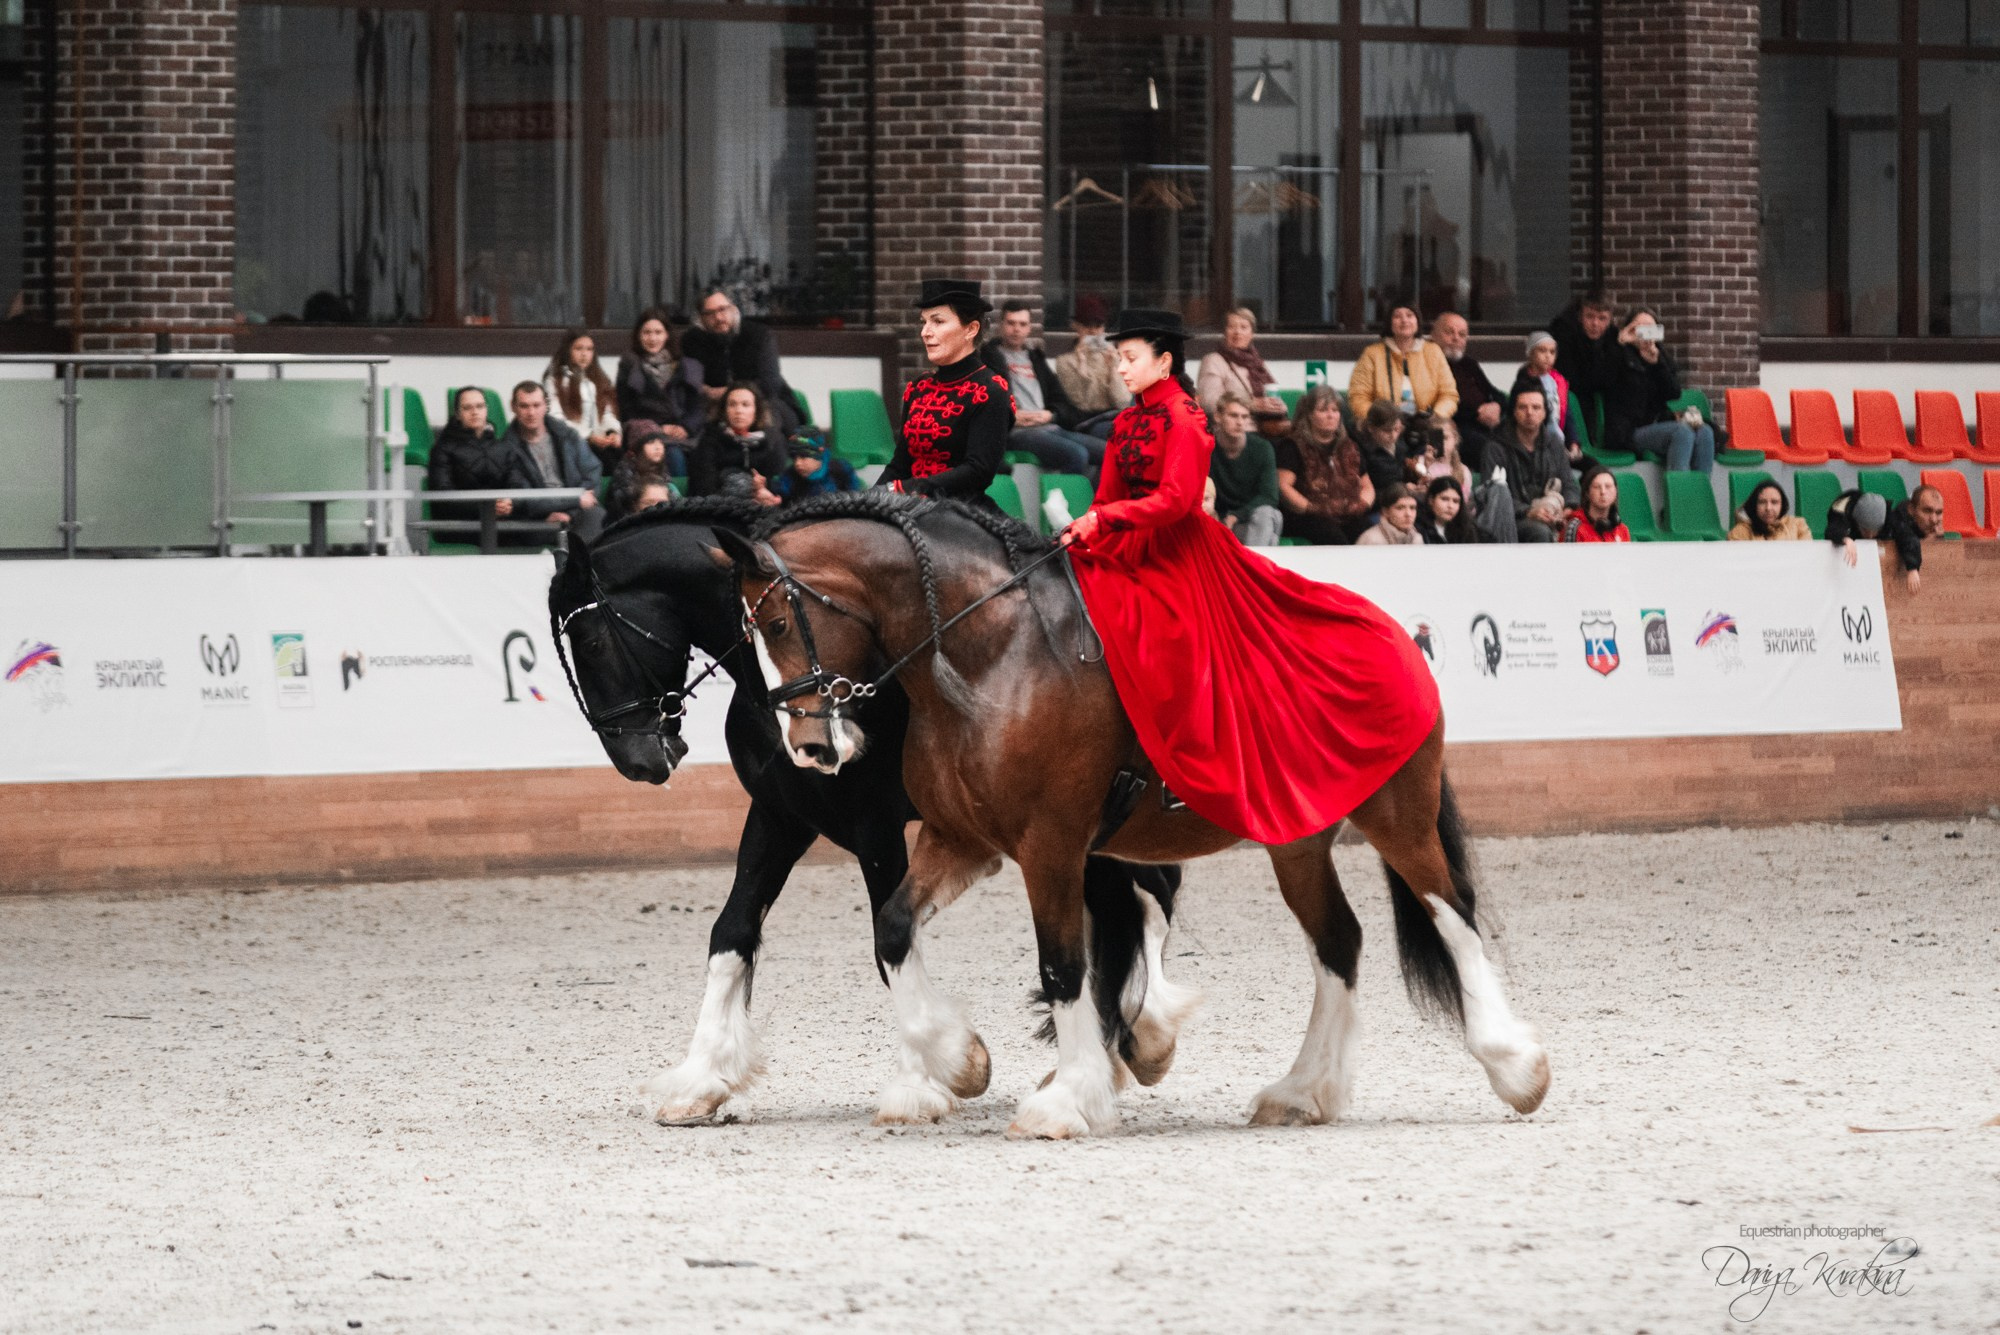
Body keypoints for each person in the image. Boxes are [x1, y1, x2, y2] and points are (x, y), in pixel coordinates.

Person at [1058, 306, 1439, 847]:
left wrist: (1108, 517)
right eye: (1119, 358)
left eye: (1130, 358)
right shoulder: (1124, 423)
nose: (1121, 368)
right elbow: (1107, 497)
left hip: (1180, 551)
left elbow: (1176, 500)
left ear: (1164, 361)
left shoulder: (1186, 418)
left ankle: (1180, 775)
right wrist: (1088, 528)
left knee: (1176, 641)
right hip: (1125, 544)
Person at [878, 278, 1015, 506]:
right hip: (910, 504)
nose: (925, 332)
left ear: (970, 329)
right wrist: (868, 498)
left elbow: (978, 470)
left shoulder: (991, 390)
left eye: (938, 322)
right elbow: (900, 465)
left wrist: (911, 487)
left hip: (962, 513)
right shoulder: (918, 389)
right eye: (923, 322)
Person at [981, 299, 1101, 475]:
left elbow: (1061, 400)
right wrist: (1009, 416)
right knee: (1077, 455)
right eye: (1011, 323)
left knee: (1110, 453)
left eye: (1022, 324)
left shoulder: (1036, 359)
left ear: (1029, 328)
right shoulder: (989, 359)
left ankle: (1099, 502)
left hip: (1049, 427)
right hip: (1018, 433)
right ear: (1001, 325)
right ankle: (1060, 501)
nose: (1016, 329)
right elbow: (982, 403)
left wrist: (1051, 415)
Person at [1604, 308, 1713, 472]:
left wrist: (1657, 365)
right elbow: (1604, 379)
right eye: (1639, 327)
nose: (1645, 333)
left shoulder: (1660, 356)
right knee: (1682, 432)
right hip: (1627, 431)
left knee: (1705, 432)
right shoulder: (1618, 354)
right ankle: (1679, 491)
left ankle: (1701, 491)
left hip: (1657, 424)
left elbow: (1674, 393)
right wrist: (1620, 344)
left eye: (1650, 328)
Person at [683, 288, 803, 435]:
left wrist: (726, 392)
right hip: (718, 408)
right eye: (710, 314)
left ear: (733, 309)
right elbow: (690, 383)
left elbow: (770, 384)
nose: (719, 318)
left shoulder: (759, 334)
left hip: (766, 403)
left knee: (765, 420)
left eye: (723, 309)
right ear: (701, 319)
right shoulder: (692, 340)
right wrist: (705, 391)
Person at [500, 381, 603, 543]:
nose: (531, 412)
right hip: (537, 519)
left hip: (575, 512)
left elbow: (592, 473)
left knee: (597, 515)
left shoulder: (567, 435)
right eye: (524, 406)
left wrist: (570, 512)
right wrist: (574, 501)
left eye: (536, 405)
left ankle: (579, 564)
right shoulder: (506, 448)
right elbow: (524, 498)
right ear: (513, 407)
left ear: (546, 406)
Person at [1273, 384, 1373, 545]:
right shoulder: (1292, 445)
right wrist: (1313, 508)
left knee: (1370, 533)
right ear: (1310, 415)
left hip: (1348, 514)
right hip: (1307, 516)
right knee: (1333, 536)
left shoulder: (1350, 446)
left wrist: (1361, 505)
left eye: (1335, 410)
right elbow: (1284, 487)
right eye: (1323, 410)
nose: (1331, 415)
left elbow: (1367, 485)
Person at [426, 385, 535, 525]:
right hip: (462, 526)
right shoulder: (442, 449)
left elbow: (518, 486)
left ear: (486, 410)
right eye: (467, 408)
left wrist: (510, 502)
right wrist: (486, 507)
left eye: (480, 406)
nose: (475, 412)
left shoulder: (505, 448)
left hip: (502, 524)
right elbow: (443, 496)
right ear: (458, 414)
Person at [1483, 383, 1576, 544]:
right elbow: (1492, 494)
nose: (1530, 413)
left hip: (1553, 511)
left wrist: (1568, 508)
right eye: (1523, 407)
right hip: (1512, 518)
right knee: (1540, 532)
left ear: (1545, 412)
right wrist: (1529, 511)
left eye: (1536, 407)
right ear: (1514, 411)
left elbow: (1569, 483)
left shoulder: (1554, 443)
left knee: (1578, 527)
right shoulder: (1495, 447)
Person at [614, 308, 707, 469]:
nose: (652, 338)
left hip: (684, 432)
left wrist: (685, 428)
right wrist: (658, 428)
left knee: (703, 457)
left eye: (658, 332)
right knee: (673, 456)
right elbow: (626, 409)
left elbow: (697, 406)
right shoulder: (630, 366)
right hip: (647, 434)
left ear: (667, 335)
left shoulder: (686, 366)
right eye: (647, 333)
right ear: (638, 335)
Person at [1347, 303, 1458, 425]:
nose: (1404, 320)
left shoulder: (1433, 352)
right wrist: (1380, 420)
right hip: (1383, 428)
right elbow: (1358, 396)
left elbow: (1449, 395)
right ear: (1390, 323)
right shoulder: (1373, 354)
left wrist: (1435, 416)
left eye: (1410, 315)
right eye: (1397, 316)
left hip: (1426, 425)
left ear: (1417, 322)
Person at [1826, 487, 1943, 593]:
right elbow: (1832, 529)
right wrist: (1845, 538)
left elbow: (1907, 537)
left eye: (1875, 531)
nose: (1871, 536)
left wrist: (1912, 568)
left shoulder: (1891, 519)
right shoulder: (1843, 514)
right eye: (1866, 531)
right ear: (1857, 523)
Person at [1196, 307, 1290, 437]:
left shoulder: (1257, 363)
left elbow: (1274, 396)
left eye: (1243, 327)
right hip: (1231, 434)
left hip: (1266, 430)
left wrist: (1277, 406)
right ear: (1224, 332)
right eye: (1232, 327)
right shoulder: (1213, 360)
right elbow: (1209, 403)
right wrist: (1251, 404)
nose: (1237, 332)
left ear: (1252, 334)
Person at [689, 382, 787, 503]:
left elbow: (779, 484)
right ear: (725, 410)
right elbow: (703, 488)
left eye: (745, 405)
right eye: (732, 405)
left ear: (756, 410)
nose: (738, 410)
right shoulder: (709, 440)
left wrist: (766, 490)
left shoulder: (772, 441)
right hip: (719, 510)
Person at [1207, 394, 1282, 547]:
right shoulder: (1205, 447)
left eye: (1244, 417)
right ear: (1218, 417)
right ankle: (1260, 561)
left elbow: (1269, 496)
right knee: (1270, 538)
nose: (1240, 422)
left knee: (1266, 513)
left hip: (1251, 518)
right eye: (1233, 415)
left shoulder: (1262, 448)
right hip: (1219, 520)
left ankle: (1253, 567)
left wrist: (1236, 516)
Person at [1049, 294, 1130, 436]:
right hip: (1086, 421)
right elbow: (1081, 403)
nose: (1093, 331)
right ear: (1077, 327)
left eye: (1098, 326)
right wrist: (1082, 364)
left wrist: (1113, 368)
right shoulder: (1065, 361)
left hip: (1114, 417)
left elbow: (1122, 402)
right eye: (1087, 325)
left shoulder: (1113, 358)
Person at [543, 328, 621, 469]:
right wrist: (588, 435)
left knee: (617, 456)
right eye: (578, 348)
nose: (584, 354)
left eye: (589, 349)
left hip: (599, 442)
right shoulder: (555, 381)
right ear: (568, 351)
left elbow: (607, 413)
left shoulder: (600, 380)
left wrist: (612, 432)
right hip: (573, 442)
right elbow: (556, 419)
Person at [1431, 311, 1504, 461]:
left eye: (1462, 334)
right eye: (1449, 332)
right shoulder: (1428, 362)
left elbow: (1495, 393)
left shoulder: (1469, 363)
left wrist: (1497, 406)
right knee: (1491, 447)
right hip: (1456, 425)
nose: (1456, 338)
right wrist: (1477, 413)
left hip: (1485, 424)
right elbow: (1433, 404)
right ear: (1434, 335)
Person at [1547, 291, 1620, 414]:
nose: (1595, 323)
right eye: (1590, 316)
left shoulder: (1614, 339)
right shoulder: (1565, 338)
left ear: (1610, 321)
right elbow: (1574, 380)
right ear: (1580, 317)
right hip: (1572, 406)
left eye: (1602, 318)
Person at [1516, 331, 1578, 457]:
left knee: (1592, 466)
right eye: (1542, 351)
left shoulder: (1558, 382)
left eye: (1552, 352)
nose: (1547, 356)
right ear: (1530, 353)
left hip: (1560, 443)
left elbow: (1567, 415)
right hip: (1538, 447)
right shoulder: (1524, 384)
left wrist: (1573, 443)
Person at [1353, 400, 1426, 505]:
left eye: (1397, 429)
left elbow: (1401, 470)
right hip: (1379, 505)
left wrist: (1417, 479)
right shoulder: (1361, 451)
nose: (1393, 436)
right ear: (1371, 428)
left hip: (1401, 498)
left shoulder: (1400, 445)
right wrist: (1404, 489)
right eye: (1387, 431)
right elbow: (1367, 492)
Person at [772, 427, 861, 501]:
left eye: (803, 457)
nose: (797, 463)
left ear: (820, 454)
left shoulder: (841, 470)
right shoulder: (790, 478)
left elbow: (855, 497)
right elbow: (779, 497)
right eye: (794, 458)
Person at [608, 429, 673, 520]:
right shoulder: (625, 468)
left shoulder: (664, 470)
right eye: (651, 443)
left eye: (661, 443)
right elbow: (622, 504)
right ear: (639, 447)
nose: (658, 447)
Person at [1561, 465, 1630, 543]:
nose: (1603, 492)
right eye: (1596, 487)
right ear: (1587, 493)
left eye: (1608, 486)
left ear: (1616, 492)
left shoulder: (1622, 530)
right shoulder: (1575, 528)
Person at [1729, 479, 1812, 541]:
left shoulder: (1798, 526)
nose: (1768, 508)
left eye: (1774, 502)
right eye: (1762, 502)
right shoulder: (1740, 532)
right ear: (1754, 505)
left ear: (1782, 505)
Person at [1418, 475, 1482, 545]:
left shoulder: (1467, 530)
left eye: (1455, 501)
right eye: (1444, 499)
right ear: (1431, 500)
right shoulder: (1418, 528)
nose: (1450, 506)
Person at [1355, 483, 1422, 546]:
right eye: (1400, 508)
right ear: (1385, 512)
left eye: (1412, 508)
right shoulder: (1371, 540)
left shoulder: (1417, 538)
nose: (1408, 514)